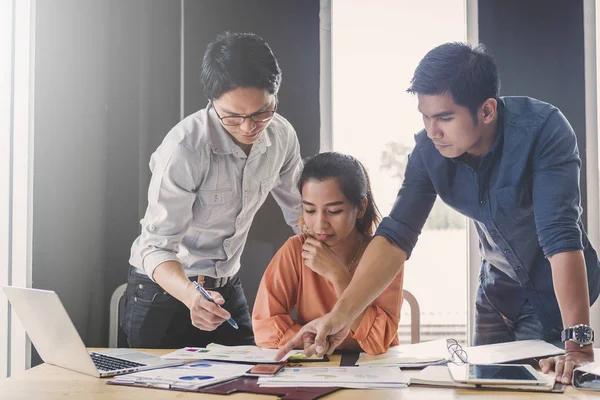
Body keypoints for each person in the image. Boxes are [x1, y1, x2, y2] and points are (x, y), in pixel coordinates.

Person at [277, 42, 600, 385]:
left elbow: (559, 234)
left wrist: (578, 343)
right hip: (496, 294)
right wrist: (338, 317)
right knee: (480, 389)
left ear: (487, 110)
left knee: (551, 387)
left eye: (445, 118)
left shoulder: (544, 131)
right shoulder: (427, 151)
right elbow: (396, 235)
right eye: (425, 117)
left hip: (552, 293)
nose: (433, 131)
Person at [121, 32, 303, 349]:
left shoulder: (282, 136)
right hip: (163, 289)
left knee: (251, 379)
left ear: (275, 95)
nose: (249, 128)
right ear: (212, 102)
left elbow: (301, 213)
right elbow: (155, 247)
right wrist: (191, 296)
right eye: (232, 117)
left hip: (226, 283)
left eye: (262, 112)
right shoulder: (185, 148)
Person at [252, 152, 403, 355]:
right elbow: (265, 327)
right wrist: (317, 340)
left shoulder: (386, 254)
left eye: (334, 211)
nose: (320, 224)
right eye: (311, 211)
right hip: (312, 370)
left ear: (360, 207)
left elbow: (377, 340)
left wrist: (337, 275)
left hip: (374, 374)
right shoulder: (296, 251)